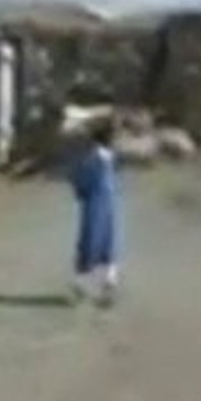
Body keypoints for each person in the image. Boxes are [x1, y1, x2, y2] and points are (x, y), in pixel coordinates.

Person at [69, 118, 120, 308]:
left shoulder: (99, 158)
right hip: (102, 204)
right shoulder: (101, 158)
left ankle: (93, 286)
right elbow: (82, 179)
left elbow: (80, 181)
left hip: (99, 204)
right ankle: (98, 284)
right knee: (99, 242)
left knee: (98, 242)